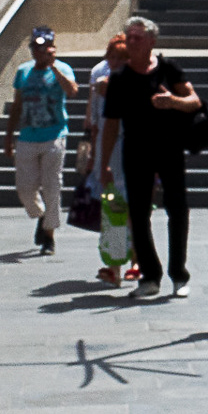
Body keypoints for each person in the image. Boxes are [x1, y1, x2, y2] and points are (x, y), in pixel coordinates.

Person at [99, 17, 201, 299]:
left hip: (170, 149)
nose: (132, 42)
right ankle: (150, 276)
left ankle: (179, 275)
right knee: (138, 213)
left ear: (151, 41)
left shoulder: (168, 69)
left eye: (138, 38)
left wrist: (173, 102)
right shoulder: (119, 78)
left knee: (177, 209)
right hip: (136, 152)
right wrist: (103, 162)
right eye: (129, 37)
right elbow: (111, 124)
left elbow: (194, 101)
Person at [5, 27, 77, 257]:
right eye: (35, 48)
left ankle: (49, 236)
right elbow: (17, 105)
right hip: (28, 135)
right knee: (25, 188)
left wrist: (54, 67)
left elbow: (72, 91)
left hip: (54, 135)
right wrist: (9, 136)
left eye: (43, 47)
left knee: (52, 185)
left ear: (51, 47)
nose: (38, 52)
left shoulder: (62, 69)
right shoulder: (23, 71)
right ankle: (42, 215)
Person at [87, 33, 138, 286]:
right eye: (112, 57)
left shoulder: (137, 81)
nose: (116, 62)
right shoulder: (100, 81)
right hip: (109, 152)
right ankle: (115, 266)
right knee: (114, 209)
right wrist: (95, 157)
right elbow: (96, 122)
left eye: (121, 58)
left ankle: (137, 260)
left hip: (133, 150)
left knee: (135, 210)